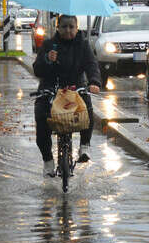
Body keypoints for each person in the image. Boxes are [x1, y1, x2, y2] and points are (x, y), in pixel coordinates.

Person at [33, 14, 101, 177]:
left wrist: (94, 82)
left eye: (71, 27)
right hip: (51, 88)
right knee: (41, 115)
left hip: (75, 88)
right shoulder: (49, 44)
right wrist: (47, 60)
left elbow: (92, 65)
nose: (68, 30)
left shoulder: (83, 45)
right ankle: (48, 161)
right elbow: (37, 69)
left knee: (87, 107)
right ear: (58, 27)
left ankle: (84, 145)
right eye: (64, 27)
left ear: (77, 28)